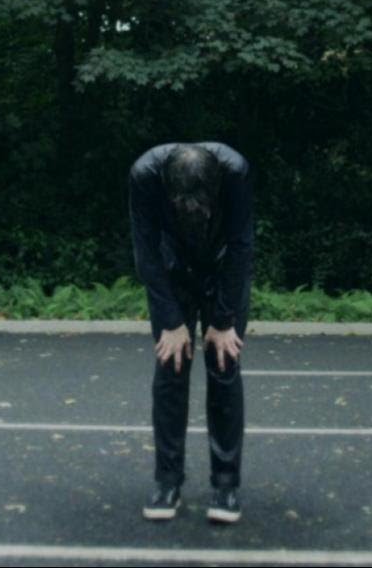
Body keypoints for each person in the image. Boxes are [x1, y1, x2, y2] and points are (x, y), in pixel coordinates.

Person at [128, 142, 254, 524]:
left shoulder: (235, 172)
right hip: (170, 273)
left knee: (224, 364)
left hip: (224, 272)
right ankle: (167, 482)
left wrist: (224, 320)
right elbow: (146, 252)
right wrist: (170, 321)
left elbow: (241, 246)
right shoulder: (144, 175)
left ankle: (226, 485)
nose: (194, 213)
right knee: (171, 368)